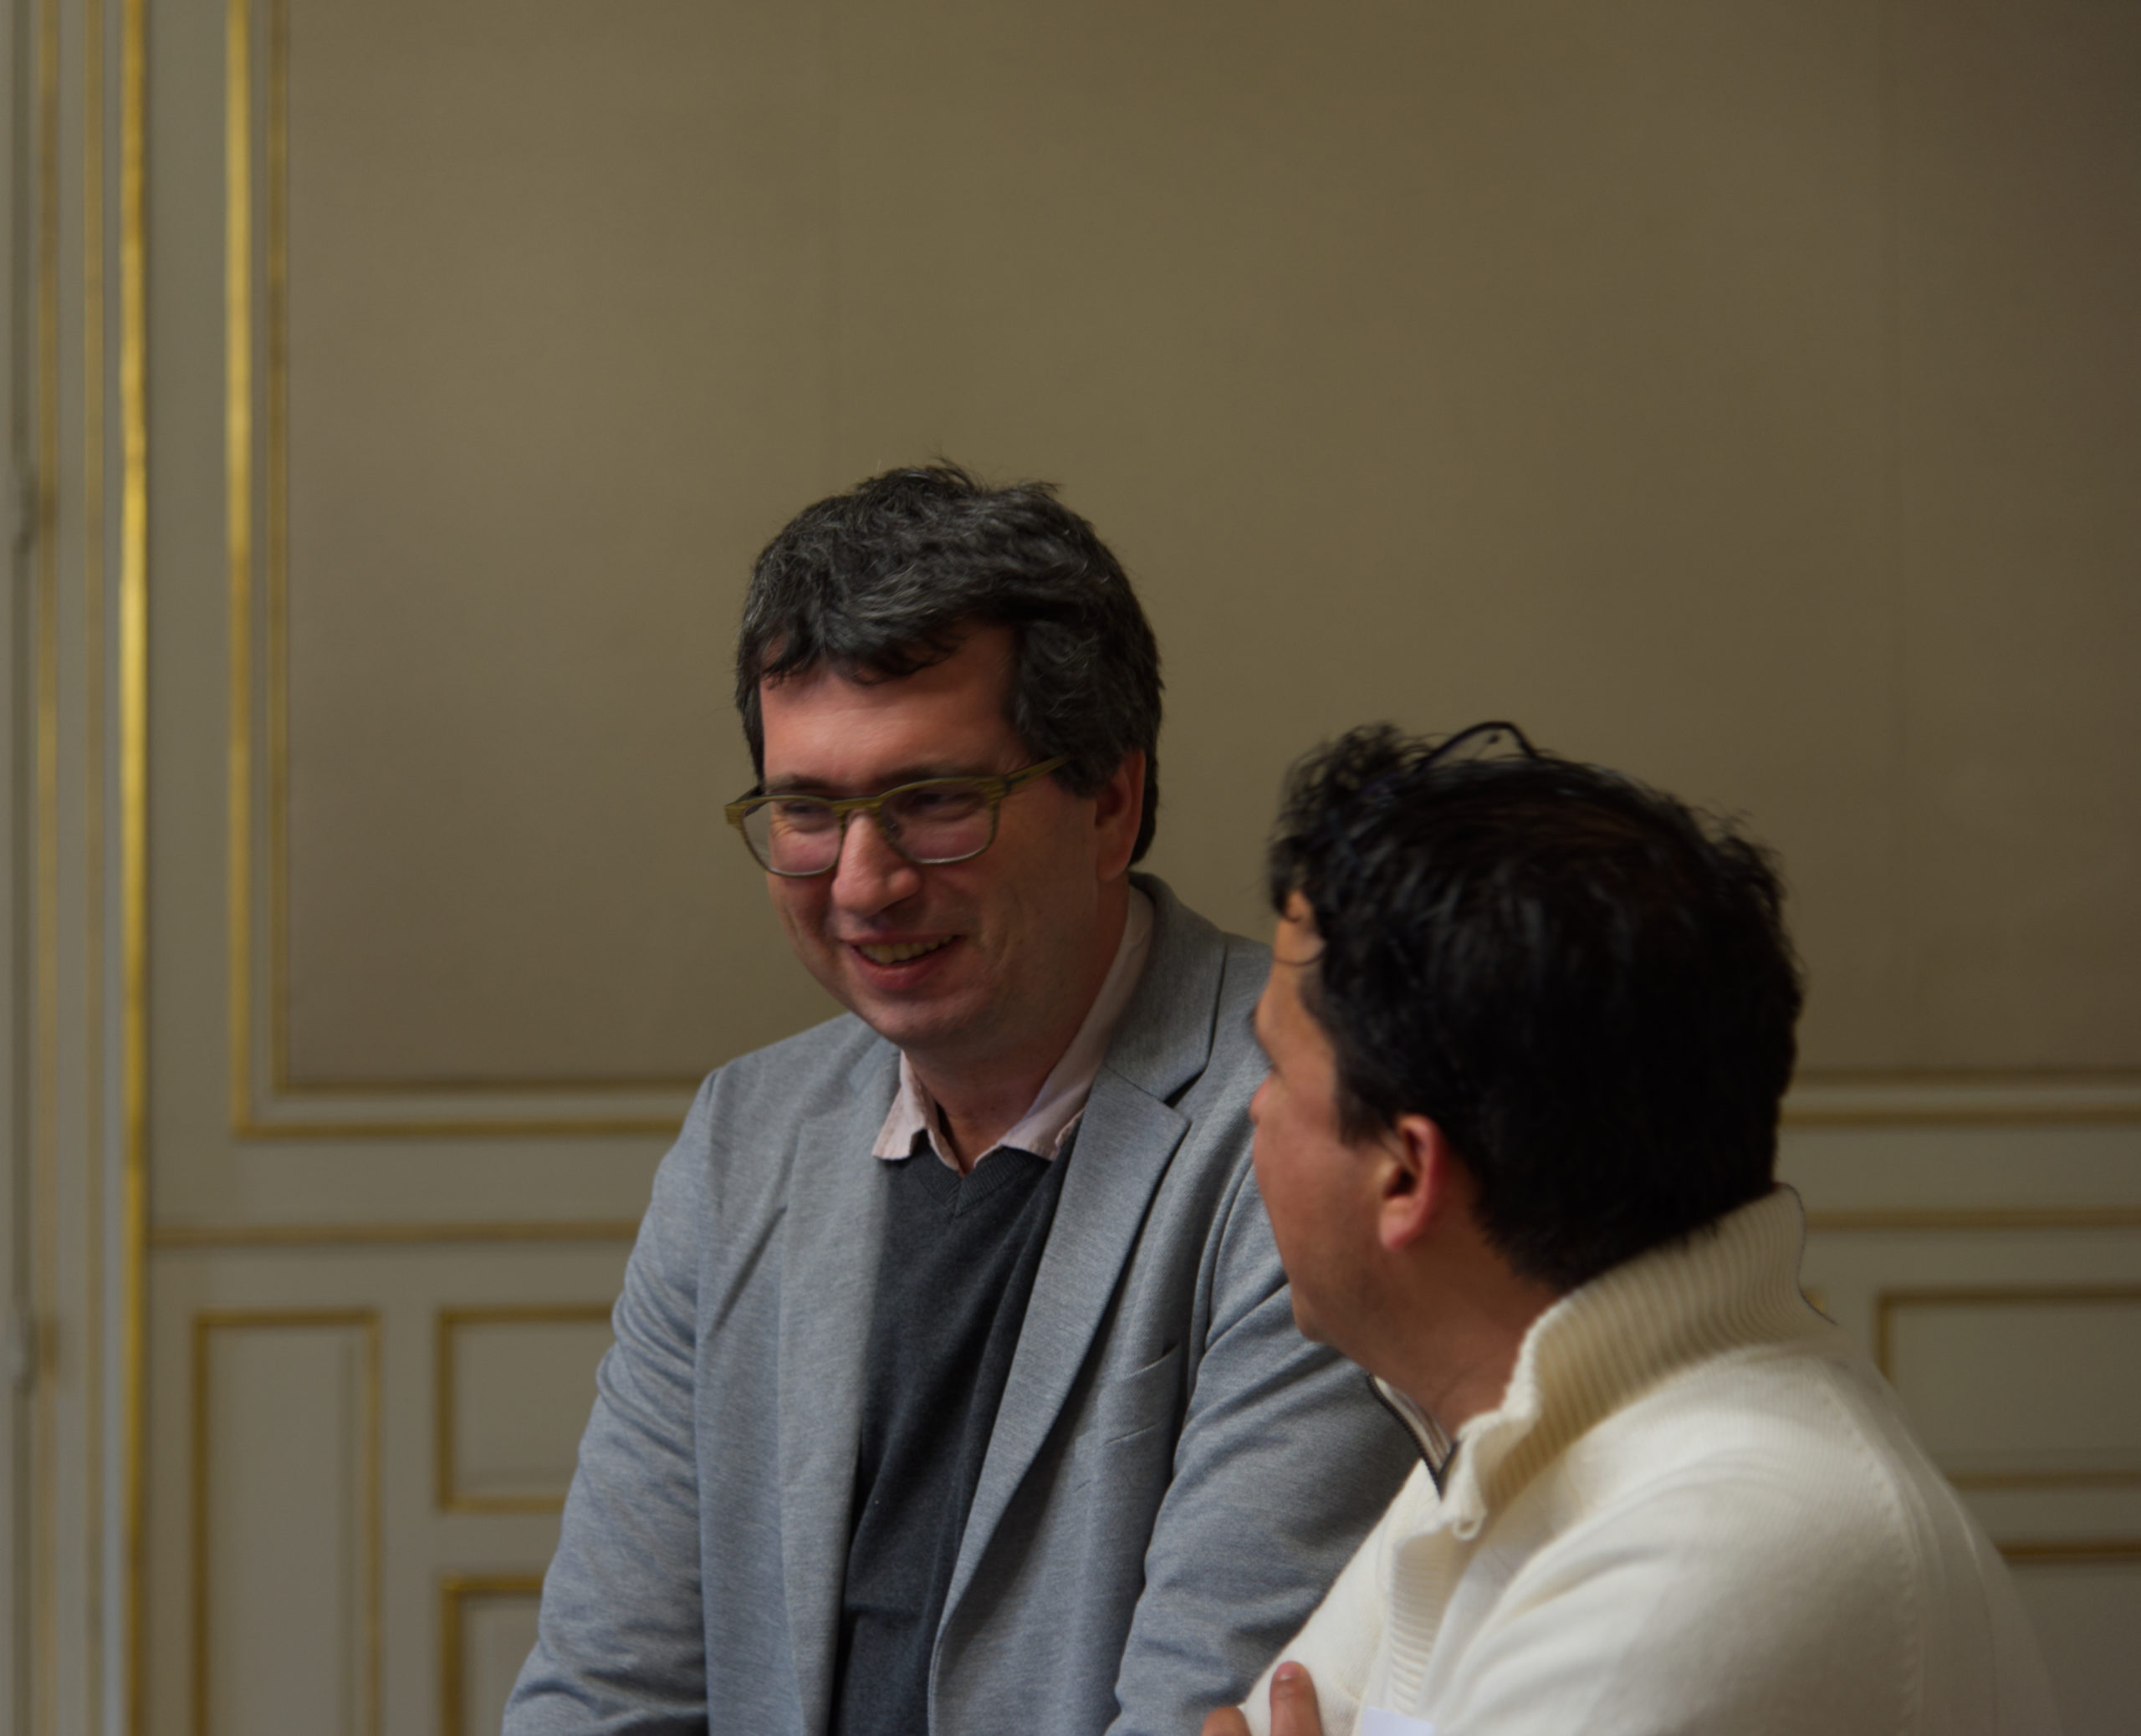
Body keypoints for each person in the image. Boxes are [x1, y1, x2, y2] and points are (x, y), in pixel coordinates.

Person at [506, 466, 1413, 1736]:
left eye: (934, 802)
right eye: (807, 810)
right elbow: (606, 1696)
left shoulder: (1308, 1128)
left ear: (1110, 804)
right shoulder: (743, 1136)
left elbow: (1205, 1711)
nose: (862, 884)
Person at [1207, 723, 2061, 1736]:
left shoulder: (1712, 1567)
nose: (1253, 1109)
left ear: (1405, 1172)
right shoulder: (1517, 1429)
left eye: (1277, 1070)